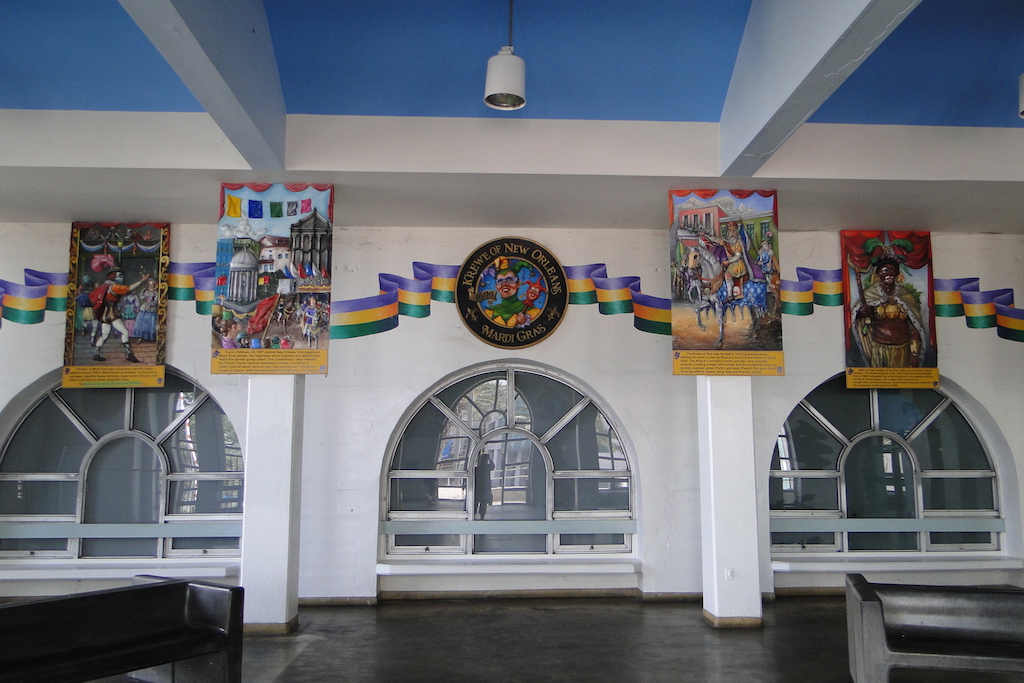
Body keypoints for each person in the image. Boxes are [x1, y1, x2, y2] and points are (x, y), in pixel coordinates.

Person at [850, 257, 927, 367]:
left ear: (897, 273)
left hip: (903, 350)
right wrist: (861, 313)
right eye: (885, 270)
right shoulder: (870, 294)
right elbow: (858, 318)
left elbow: (914, 325)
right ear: (878, 274)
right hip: (879, 350)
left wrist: (915, 354)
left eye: (892, 270)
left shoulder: (905, 295)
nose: (889, 274)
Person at [90, 270, 149, 362]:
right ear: (113, 276)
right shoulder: (114, 287)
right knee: (125, 332)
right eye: (119, 275)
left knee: (105, 334)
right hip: (111, 312)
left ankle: (96, 354)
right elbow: (129, 289)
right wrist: (141, 281)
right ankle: (129, 354)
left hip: (104, 313)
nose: (122, 277)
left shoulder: (104, 286)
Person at [474, 453, 495, 519]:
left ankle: (473, 516)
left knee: (476, 504)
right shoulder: (487, 468)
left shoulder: (477, 469)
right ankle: (482, 517)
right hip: (484, 489)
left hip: (478, 489)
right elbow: (493, 466)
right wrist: (489, 458)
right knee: (483, 505)